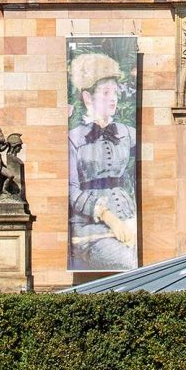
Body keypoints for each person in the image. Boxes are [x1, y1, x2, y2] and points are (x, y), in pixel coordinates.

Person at [67, 51, 139, 271]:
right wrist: (108, 217)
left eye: (115, 92)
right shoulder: (74, 137)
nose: (113, 98)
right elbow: (70, 188)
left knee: (144, 262)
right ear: (87, 97)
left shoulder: (127, 133)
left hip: (128, 222)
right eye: (105, 92)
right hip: (91, 230)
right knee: (129, 263)